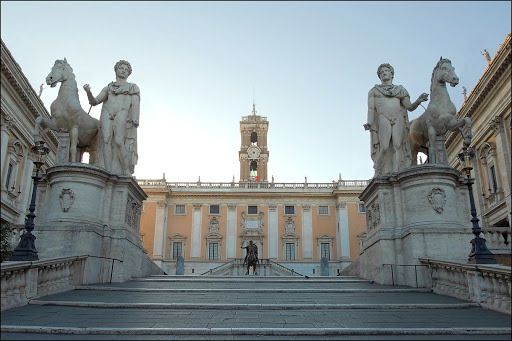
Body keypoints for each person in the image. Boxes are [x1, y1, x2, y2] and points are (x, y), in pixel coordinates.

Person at [364, 63, 428, 175]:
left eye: (386, 71)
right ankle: (378, 170)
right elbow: (370, 109)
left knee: (398, 146)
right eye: (381, 72)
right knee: (384, 146)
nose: (384, 73)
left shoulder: (400, 90)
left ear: (391, 74)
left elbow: (409, 107)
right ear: (379, 76)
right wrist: (369, 122)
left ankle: (397, 173)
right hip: (383, 117)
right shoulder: (374, 91)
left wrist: (418, 100)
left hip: (398, 117)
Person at [83, 60, 140, 175]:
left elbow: (135, 104)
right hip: (107, 112)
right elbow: (95, 102)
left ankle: (125, 170)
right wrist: (88, 92)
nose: (123, 70)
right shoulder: (108, 88)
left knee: (119, 141)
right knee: (106, 140)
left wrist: (135, 117)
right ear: (116, 70)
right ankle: (107, 172)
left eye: (126, 69)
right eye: (121, 68)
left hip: (122, 113)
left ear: (129, 73)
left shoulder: (132, 87)